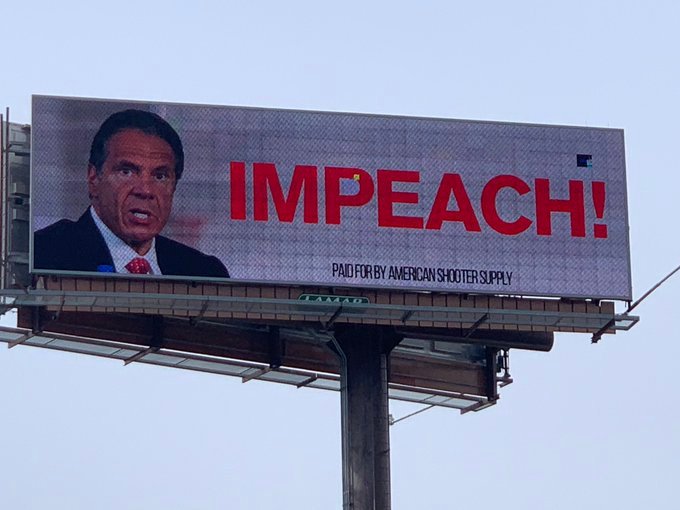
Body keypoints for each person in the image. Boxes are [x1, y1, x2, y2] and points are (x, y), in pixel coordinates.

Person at [34, 109, 229, 278]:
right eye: (126, 172)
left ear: (174, 188)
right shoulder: (42, 254)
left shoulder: (204, 272)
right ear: (94, 179)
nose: (145, 190)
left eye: (160, 176)